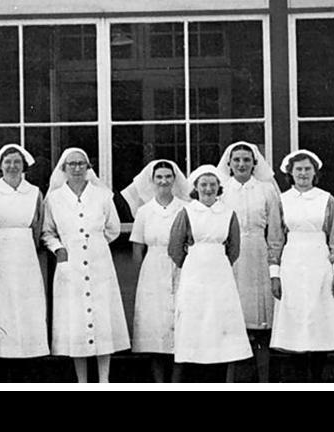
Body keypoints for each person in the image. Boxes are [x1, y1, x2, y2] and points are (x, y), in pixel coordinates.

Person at [42, 148, 129, 383]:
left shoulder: (102, 195)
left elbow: (113, 228)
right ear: (64, 168)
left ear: (88, 167)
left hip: (99, 264)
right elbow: (47, 231)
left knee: (102, 320)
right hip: (70, 266)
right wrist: (59, 248)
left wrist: (95, 246)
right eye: (72, 164)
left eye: (82, 164)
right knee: (76, 322)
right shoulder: (54, 198)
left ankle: (104, 380)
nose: (77, 168)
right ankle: (81, 382)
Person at [270, 150, 334, 382]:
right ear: (290, 173)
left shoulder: (327, 199)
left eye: (307, 169)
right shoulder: (282, 200)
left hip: (319, 263)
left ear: (315, 173)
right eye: (298, 170)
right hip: (292, 263)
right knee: (295, 322)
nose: (303, 173)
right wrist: (274, 275)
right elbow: (275, 240)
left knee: (319, 321)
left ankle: (317, 379)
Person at [168, 165, 252, 382]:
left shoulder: (228, 213)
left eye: (213, 184)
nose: (208, 189)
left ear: (219, 187)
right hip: (194, 274)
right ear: (196, 187)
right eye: (203, 184)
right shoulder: (187, 212)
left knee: (220, 321)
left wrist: (217, 262)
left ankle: (221, 377)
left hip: (220, 275)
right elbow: (175, 248)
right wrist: (194, 263)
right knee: (195, 321)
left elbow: (234, 249)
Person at [216, 141, 284, 383]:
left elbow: (275, 232)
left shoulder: (266, 190)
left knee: (260, 322)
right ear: (229, 164)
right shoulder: (221, 189)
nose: (241, 164)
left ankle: (263, 379)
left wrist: (274, 263)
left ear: (255, 163)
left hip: (258, 255)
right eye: (237, 160)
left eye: (246, 160)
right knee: (233, 321)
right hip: (229, 257)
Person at [0, 143, 50, 374]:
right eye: (8, 162)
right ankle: (1, 355)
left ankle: (26, 354)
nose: (12, 166)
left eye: (17, 162)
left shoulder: (34, 192)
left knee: (26, 303)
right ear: (0, 165)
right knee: (0, 303)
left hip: (24, 253)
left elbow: (38, 226)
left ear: (24, 166)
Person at [122, 159, 190, 383]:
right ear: (152, 181)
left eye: (168, 177)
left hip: (179, 266)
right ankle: (159, 382)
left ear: (174, 179)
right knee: (155, 327)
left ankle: (177, 382)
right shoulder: (144, 211)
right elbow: (138, 247)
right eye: (159, 177)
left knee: (179, 325)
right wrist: (142, 277)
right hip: (152, 269)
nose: (164, 181)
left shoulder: (184, 208)